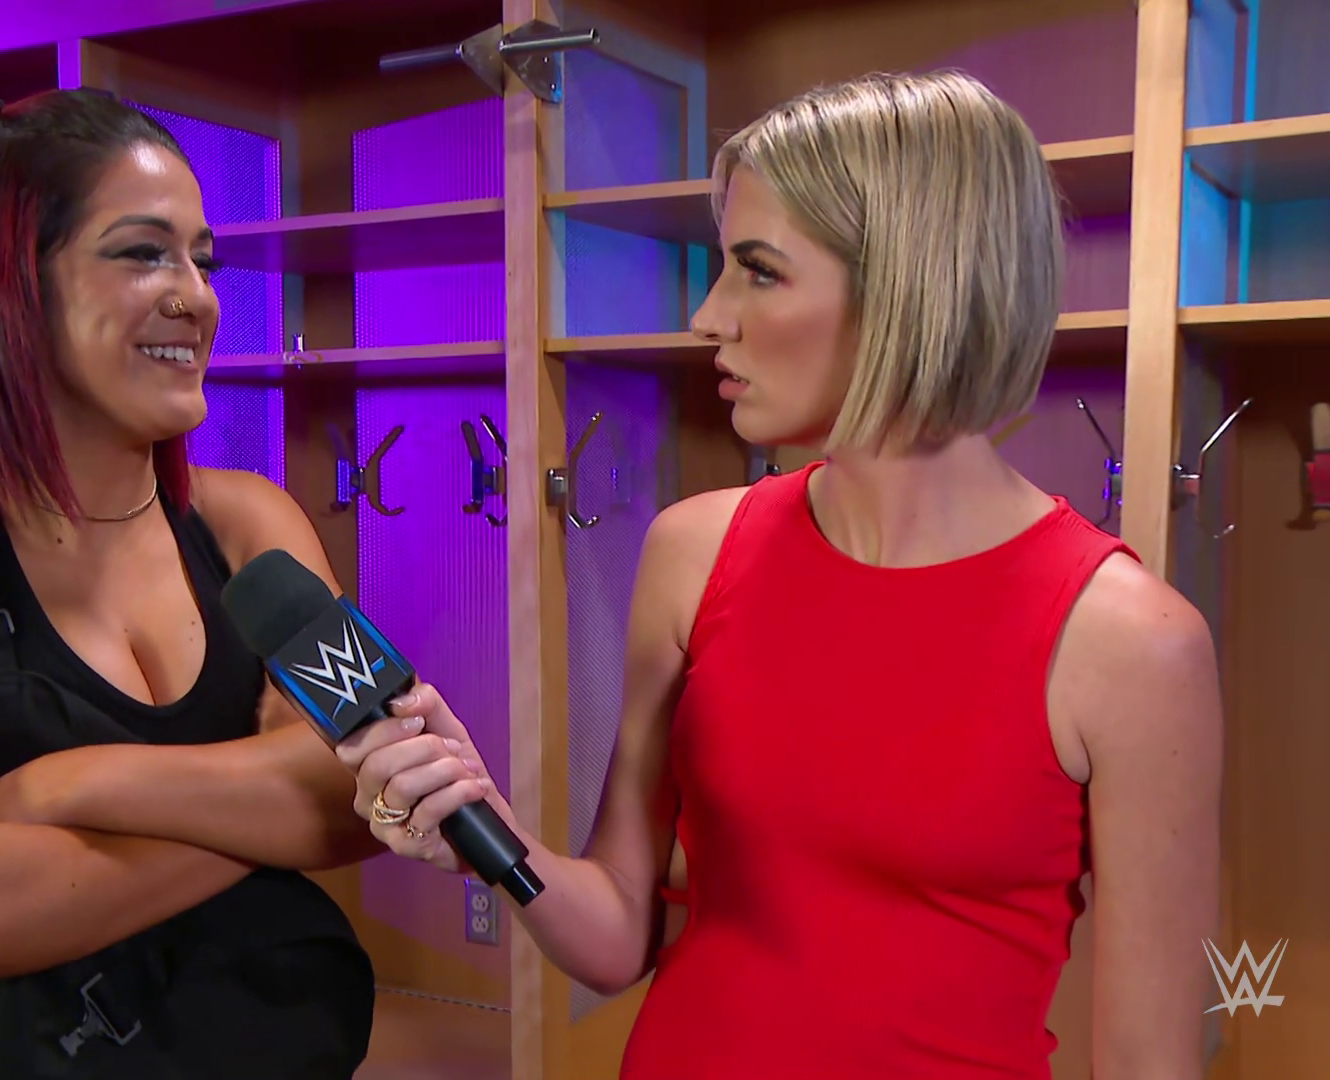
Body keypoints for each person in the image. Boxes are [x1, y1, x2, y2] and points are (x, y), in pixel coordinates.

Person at [336, 70, 1223, 1079]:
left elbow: (1150, 1061)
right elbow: (620, 931)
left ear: (907, 286)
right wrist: (487, 833)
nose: (708, 315)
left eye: (758, 271)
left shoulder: (1134, 645)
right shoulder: (692, 554)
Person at [0, 89, 381, 1080]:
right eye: (144, 253)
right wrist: (271, 817)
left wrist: (70, 786)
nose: (197, 297)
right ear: (8, 289)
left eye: (204, 259)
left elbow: (379, 768)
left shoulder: (254, 526)